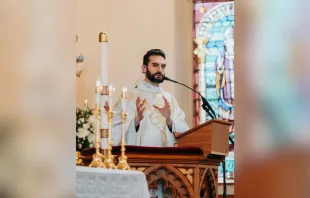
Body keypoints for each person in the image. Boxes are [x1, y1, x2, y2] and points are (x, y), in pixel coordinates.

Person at [110, 49, 189, 147]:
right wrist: (136, 121)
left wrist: (169, 120)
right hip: (139, 159)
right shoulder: (129, 97)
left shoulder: (170, 99)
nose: (160, 70)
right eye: (155, 65)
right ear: (144, 68)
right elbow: (114, 132)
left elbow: (184, 134)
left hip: (167, 159)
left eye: (163, 66)